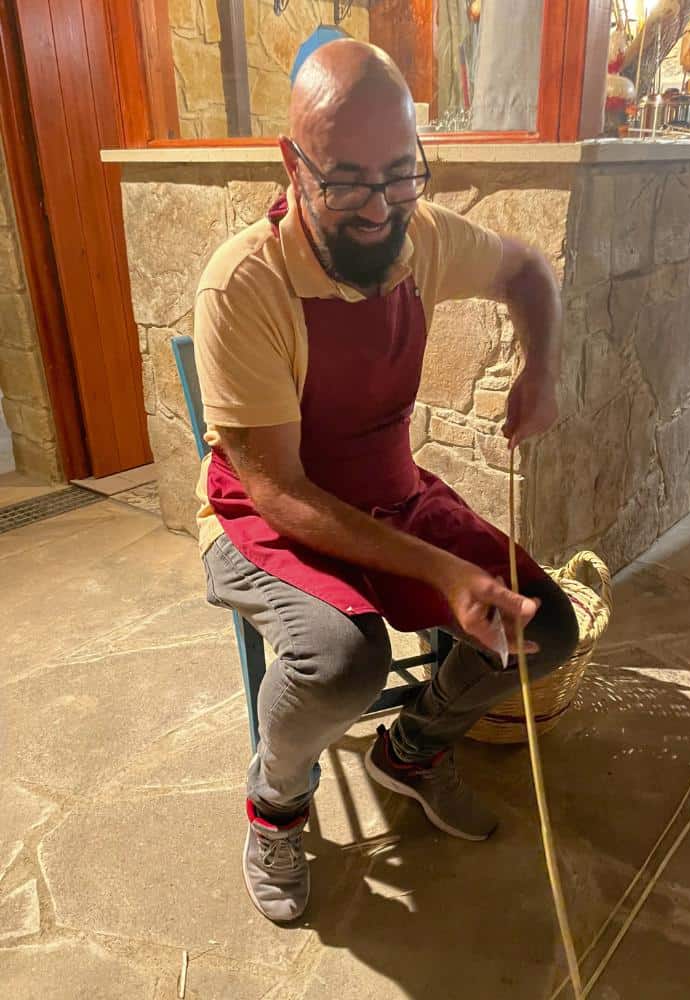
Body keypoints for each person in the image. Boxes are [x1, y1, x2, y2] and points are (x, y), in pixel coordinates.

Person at [195, 39, 578, 923]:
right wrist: (444, 572)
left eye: (400, 175)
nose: (379, 208)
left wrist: (541, 370)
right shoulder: (243, 286)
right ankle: (275, 807)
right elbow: (280, 491)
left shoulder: (423, 236)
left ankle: (410, 750)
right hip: (262, 513)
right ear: (293, 164)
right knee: (342, 662)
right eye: (346, 182)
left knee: (543, 629)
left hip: (389, 492)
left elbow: (528, 271)